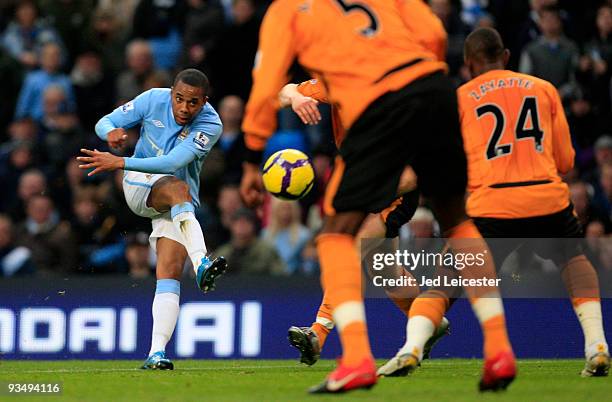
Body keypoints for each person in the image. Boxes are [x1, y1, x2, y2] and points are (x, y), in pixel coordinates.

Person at [240, 0, 512, 393]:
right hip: (432, 89)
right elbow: (434, 34)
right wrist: (299, 96)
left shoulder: (304, 25)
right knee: (420, 243)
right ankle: (485, 343)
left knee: (342, 239)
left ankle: (331, 341)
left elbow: (267, 85)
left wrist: (252, 157)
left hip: (383, 143)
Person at [384, 27, 610, 380]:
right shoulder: (544, 88)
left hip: (490, 207)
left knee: (444, 282)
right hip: (546, 199)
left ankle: (410, 348)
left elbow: (441, 163)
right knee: (574, 260)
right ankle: (596, 345)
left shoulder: (459, 98)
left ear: (468, 64)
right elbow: (565, 162)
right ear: (505, 56)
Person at [277, 79, 448, 366]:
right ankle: (430, 320)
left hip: (395, 191)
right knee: (386, 273)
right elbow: (283, 91)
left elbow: (413, 176)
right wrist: (296, 98)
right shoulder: (338, 82)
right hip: (361, 181)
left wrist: (372, 192)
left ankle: (318, 334)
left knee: (350, 249)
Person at [77, 68, 228, 370]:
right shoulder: (152, 99)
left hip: (177, 202)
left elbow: (173, 162)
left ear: (204, 102)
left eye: (193, 102)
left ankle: (156, 352)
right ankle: (201, 263)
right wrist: (110, 132)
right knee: (177, 187)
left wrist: (119, 160)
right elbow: (103, 121)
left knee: (169, 272)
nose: (185, 108)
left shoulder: (211, 124)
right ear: (171, 93)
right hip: (139, 182)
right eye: (180, 99)